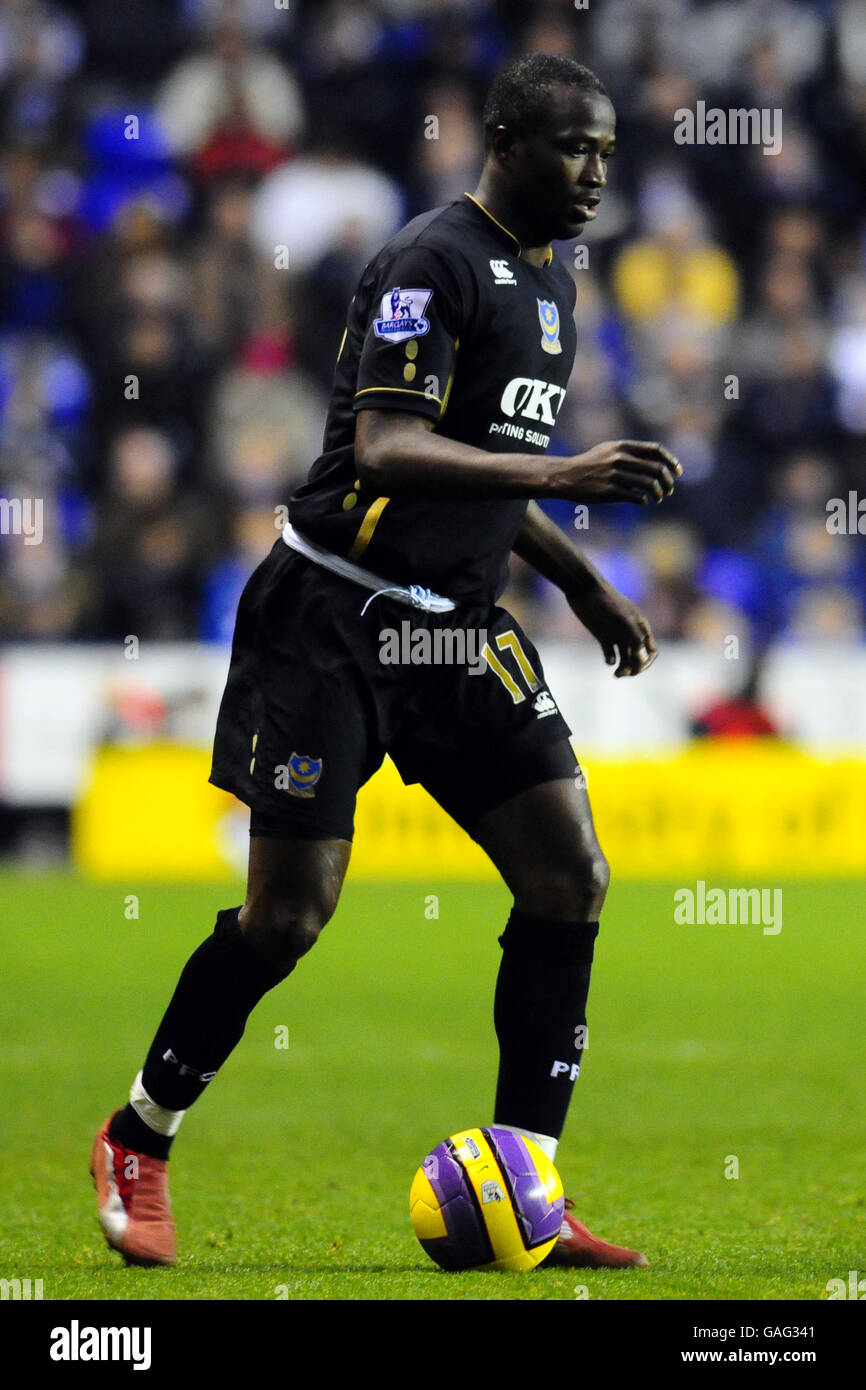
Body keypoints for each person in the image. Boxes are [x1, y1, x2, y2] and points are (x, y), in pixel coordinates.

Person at [91, 53, 681, 1272]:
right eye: (575, 149)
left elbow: (482, 469)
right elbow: (391, 445)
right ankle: (138, 1134)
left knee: (569, 877)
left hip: (458, 630)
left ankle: (528, 1184)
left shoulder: (549, 288)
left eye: (609, 156)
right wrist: (565, 476)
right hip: (334, 616)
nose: (594, 175)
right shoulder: (432, 263)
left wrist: (579, 580)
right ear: (505, 140)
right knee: (287, 918)